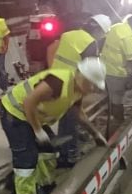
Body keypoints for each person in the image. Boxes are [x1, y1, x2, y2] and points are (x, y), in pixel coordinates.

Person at [0, 58, 108, 194]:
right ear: (82, 77)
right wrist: (37, 131)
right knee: (26, 162)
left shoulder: (77, 90)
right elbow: (28, 102)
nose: (92, 89)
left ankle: (45, 186)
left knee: (48, 152)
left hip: (33, 116)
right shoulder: (57, 82)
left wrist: (95, 134)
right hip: (14, 114)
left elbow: (78, 113)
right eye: (92, 84)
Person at [47, 14, 112, 167]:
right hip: (70, 84)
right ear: (96, 29)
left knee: (66, 118)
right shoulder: (89, 43)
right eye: (101, 33)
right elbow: (91, 70)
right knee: (70, 120)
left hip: (56, 80)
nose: (101, 37)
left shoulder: (68, 34)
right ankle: (69, 156)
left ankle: (65, 153)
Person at [102, 12, 132, 130]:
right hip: (116, 70)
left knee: (112, 94)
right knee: (117, 96)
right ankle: (118, 122)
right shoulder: (128, 36)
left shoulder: (116, 26)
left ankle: (114, 116)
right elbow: (131, 58)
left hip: (105, 66)